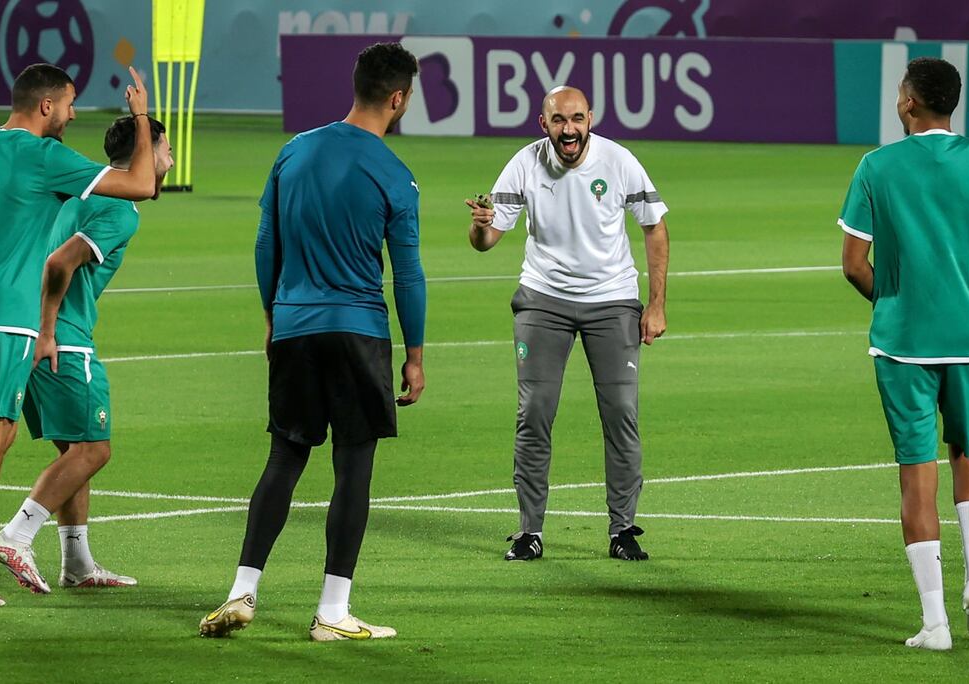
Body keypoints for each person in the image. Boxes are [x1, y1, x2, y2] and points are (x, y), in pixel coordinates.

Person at [0, 63, 158, 608]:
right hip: (5, 319)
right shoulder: (43, 156)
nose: (73, 114)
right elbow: (140, 184)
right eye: (70, 104)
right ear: (46, 106)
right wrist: (140, 117)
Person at [198, 42, 426, 641]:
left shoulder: (293, 151)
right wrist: (415, 355)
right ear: (397, 98)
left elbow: (265, 244)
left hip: (295, 326)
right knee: (353, 469)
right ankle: (332, 612)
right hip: (358, 332)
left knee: (284, 457)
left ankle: (242, 591)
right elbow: (408, 275)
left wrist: (273, 315)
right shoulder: (395, 175)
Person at [839, 57, 969, 651]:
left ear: (909, 102)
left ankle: (936, 624)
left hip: (902, 345)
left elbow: (853, 264)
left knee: (916, 473)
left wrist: (894, 305)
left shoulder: (876, 166)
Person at [466, 85, 670, 563]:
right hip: (543, 301)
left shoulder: (618, 161)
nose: (569, 128)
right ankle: (529, 531)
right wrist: (479, 225)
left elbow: (654, 225)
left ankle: (623, 529)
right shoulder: (525, 163)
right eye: (559, 120)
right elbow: (488, 238)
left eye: (577, 118)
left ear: (590, 119)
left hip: (612, 301)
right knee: (534, 412)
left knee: (621, 414)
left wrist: (656, 304)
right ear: (544, 124)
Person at [0, 115, 174, 593]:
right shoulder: (120, 210)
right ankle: (15, 535)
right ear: (145, 154)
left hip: (29, 332)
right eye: (165, 151)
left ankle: (77, 564)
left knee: (74, 449)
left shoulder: (78, 196)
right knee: (93, 450)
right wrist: (49, 332)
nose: (170, 161)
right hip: (62, 338)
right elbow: (59, 261)